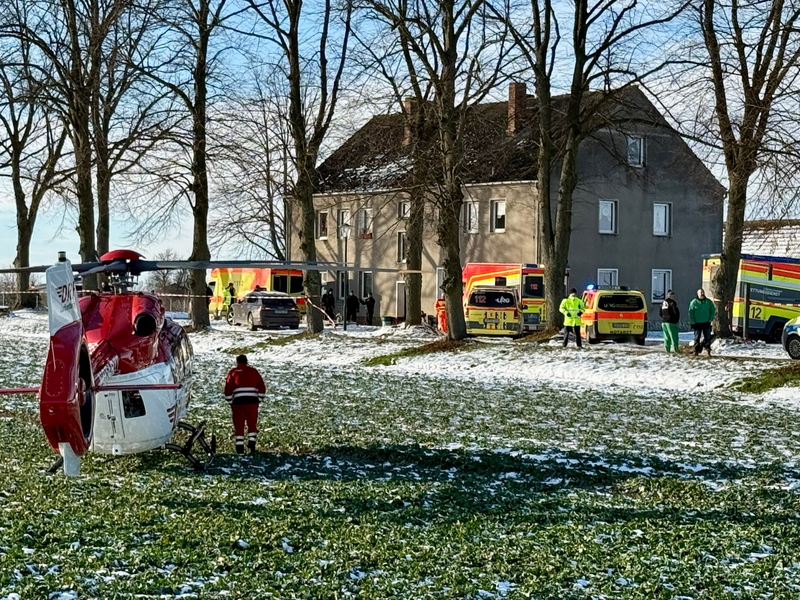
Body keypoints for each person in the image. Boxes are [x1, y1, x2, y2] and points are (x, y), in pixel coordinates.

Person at [224, 355, 266, 454]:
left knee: (239, 425)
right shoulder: (253, 371)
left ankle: (239, 448)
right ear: (247, 361)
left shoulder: (233, 372)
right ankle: (252, 444)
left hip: (238, 402)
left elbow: (228, 389)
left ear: (237, 362)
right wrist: (259, 399)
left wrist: (231, 402)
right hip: (252, 402)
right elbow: (261, 386)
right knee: (252, 423)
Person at [689, 288, 716, 356]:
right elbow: (690, 312)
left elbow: (713, 310)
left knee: (707, 337)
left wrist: (711, 318)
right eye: (700, 292)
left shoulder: (708, 302)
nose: (702, 293)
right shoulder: (694, 302)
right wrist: (693, 320)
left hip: (706, 322)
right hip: (697, 323)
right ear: (697, 294)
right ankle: (696, 351)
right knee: (696, 337)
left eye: (703, 292)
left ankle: (707, 350)